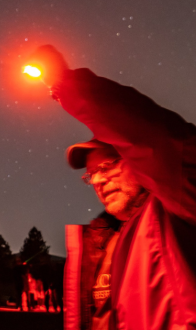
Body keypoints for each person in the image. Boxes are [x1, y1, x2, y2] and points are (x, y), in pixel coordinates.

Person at [29, 45, 196, 329]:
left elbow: (153, 139)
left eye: (105, 167)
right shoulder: (113, 246)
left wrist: (64, 84)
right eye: (90, 175)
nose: (97, 180)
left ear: (137, 160)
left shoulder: (180, 201)